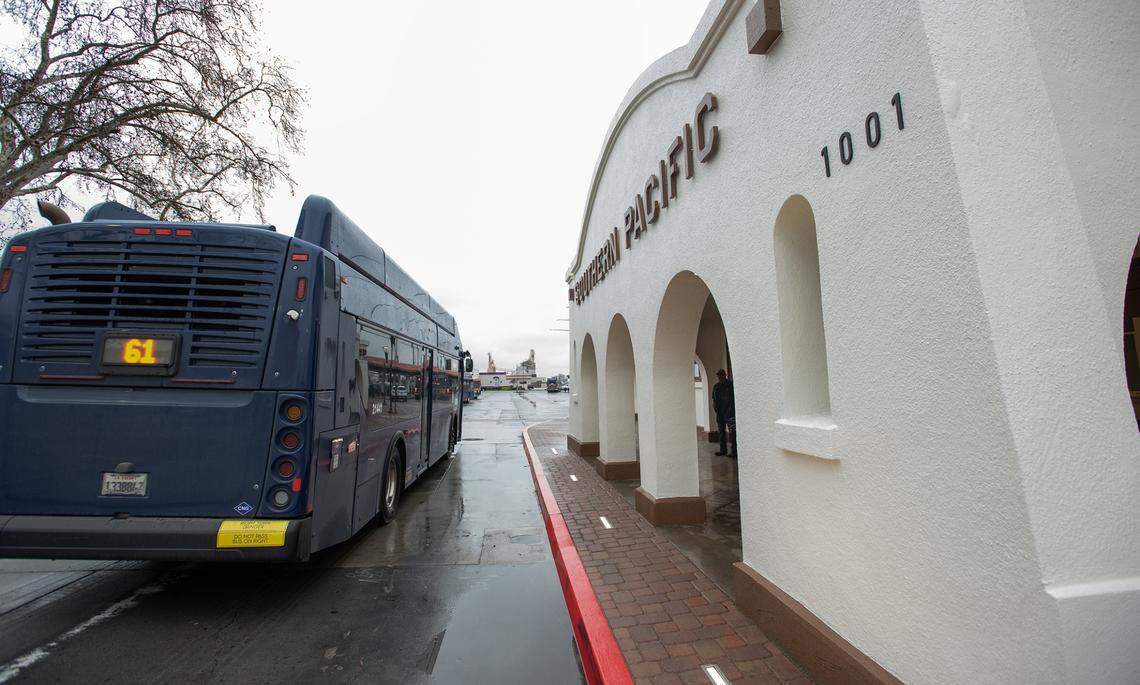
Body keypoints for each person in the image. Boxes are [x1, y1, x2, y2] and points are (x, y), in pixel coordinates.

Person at [712, 369, 737, 458]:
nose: (720, 377)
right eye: (718, 375)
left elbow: (733, 398)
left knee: (732, 432)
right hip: (720, 413)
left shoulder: (730, 385)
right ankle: (723, 450)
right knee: (721, 432)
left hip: (729, 413)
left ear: (725, 375)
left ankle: (734, 451)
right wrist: (715, 407)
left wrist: (731, 409)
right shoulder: (716, 387)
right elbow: (714, 399)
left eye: (721, 375)